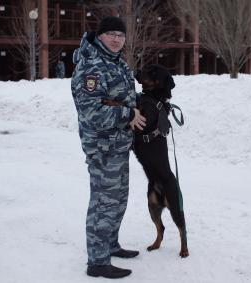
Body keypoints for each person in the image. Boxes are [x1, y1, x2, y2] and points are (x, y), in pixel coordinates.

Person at [70, 16, 146, 279]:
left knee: (118, 199)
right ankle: (97, 261)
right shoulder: (91, 66)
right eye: (111, 34)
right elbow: (92, 111)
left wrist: (149, 103)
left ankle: (110, 244)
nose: (117, 39)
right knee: (103, 202)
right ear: (100, 36)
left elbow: (124, 98)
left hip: (119, 144)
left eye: (121, 35)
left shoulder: (118, 64)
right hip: (101, 146)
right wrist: (128, 115)